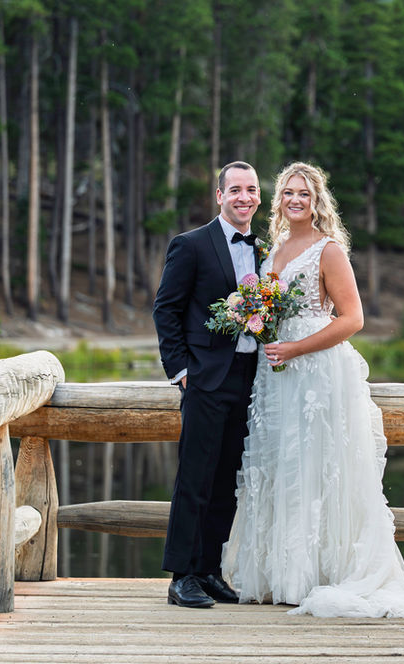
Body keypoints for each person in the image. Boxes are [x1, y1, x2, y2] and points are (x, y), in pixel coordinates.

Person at [223, 162, 404, 618]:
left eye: (305, 194)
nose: (296, 200)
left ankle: (317, 575)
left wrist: (295, 347)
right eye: (289, 193)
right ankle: (284, 574)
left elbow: (352, 320)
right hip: (277, 376)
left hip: (316, 372)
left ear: (317, 202)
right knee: (283, 463)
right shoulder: (273, 249)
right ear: (280, 200)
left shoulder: (328, 250)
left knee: (318, 465)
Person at [154, 161, 265, 609]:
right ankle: (182, 577)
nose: (244, 197)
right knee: (195, 479)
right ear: (219, 196)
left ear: (259, 197)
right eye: (234, 189)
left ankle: (209, 570)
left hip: (249, 379)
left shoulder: (266, 250)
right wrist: (181, 371)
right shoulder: (192, 245)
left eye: (251, 189)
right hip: (204, 379)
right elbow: (167, 309)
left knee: (226, 481)